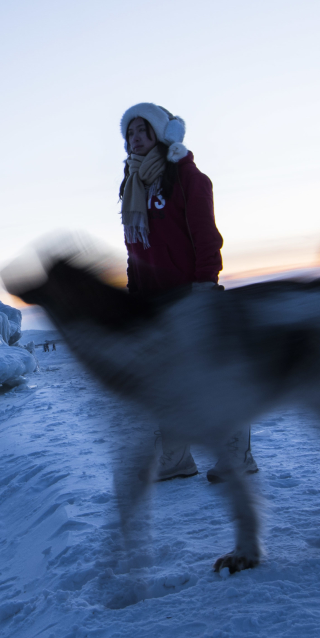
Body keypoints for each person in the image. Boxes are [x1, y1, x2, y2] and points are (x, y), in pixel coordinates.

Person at [117, 103, 252, 481]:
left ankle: (236, 457)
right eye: (130, 133)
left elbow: (206, 236)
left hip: (191, 295)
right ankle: (176, 458)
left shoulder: (188, 177)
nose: (135, 138)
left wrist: (205, 284)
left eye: (143, 130)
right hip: (154, 302)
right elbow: (134, 248)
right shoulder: (132, 185)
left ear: (161, 133)